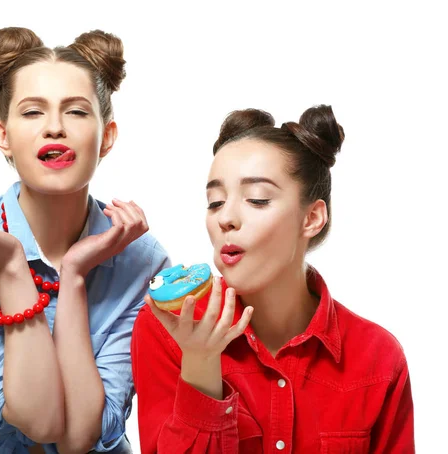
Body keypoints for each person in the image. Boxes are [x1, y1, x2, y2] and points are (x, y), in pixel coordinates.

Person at [0, 26, 169, 454]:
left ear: (106, 137)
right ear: (3, 135)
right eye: (32, 112)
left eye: (77, 112)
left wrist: (75, 275)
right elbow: (38, 418)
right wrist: (9, 264)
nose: (54, 128)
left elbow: (81, 436)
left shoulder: (143, 261)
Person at [131, 106, 414, 453]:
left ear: (311, 218)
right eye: (215, 202)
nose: (227, 219)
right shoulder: (166, 329)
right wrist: (199, 363)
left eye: (257, 199)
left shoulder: (378, 357)